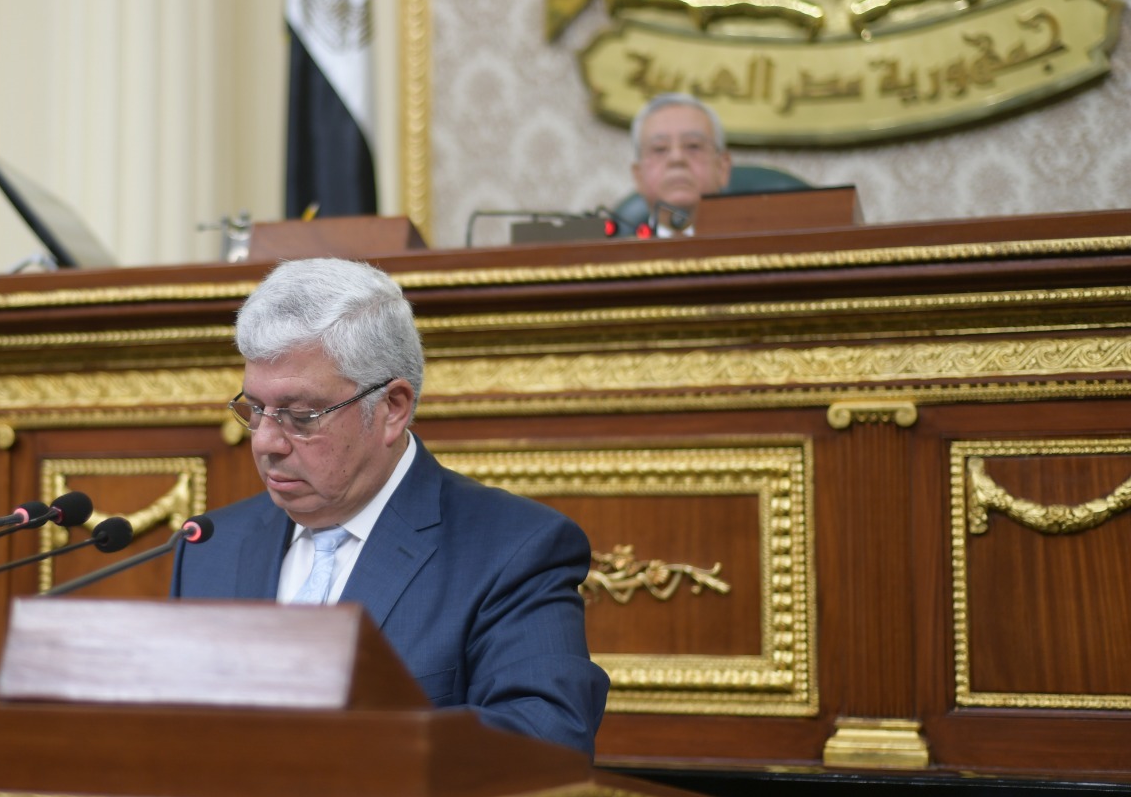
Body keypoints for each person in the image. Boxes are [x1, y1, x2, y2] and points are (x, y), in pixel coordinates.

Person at [171, 257, 609, 758]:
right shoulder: (210, 547)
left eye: (300, 416)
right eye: (255, 409)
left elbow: (546, 741)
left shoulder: (512, 549)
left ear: (392, 408)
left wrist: (326, 753)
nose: (266, 441)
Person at [611, 92, 732, 238]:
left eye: (693, 146)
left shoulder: (753, 245)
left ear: (722, 168)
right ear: (639, 176)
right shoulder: (610, 250)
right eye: (660, 149)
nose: (677, 158)